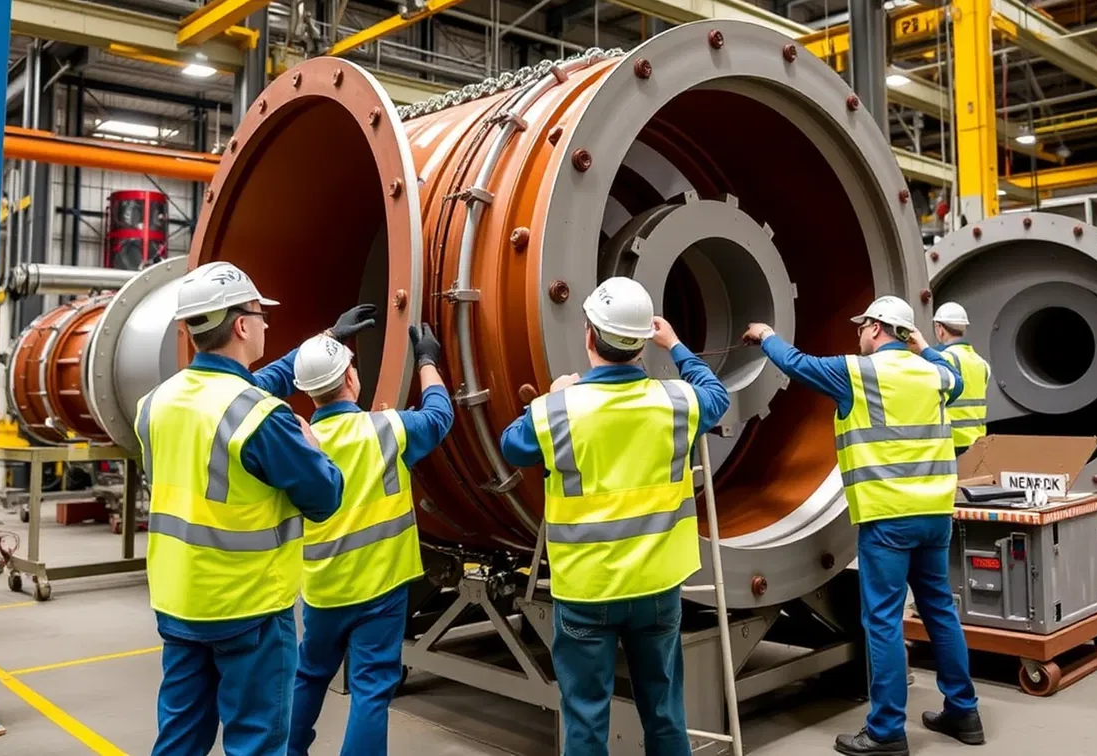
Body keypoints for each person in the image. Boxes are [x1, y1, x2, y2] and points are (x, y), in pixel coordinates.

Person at [138, 263, 371, 755]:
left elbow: (244, 388)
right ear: (243, 325)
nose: (265, 323)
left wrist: (327, 338)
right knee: (257, 744)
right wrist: (315, 449)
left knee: (179, 739)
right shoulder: (264, 417)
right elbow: (324, 498)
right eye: (261, 315)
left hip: (180, 602)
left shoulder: (156, 403)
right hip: (250, 609)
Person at [499, 277, 729, 756]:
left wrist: (552, 395)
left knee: (585, 721)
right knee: (665, 713)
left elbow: (512, 445)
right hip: (657, 587)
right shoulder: (677, 402)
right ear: (643, 344)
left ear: (589, 335)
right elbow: (716, 395)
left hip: (587, 589)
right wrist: (676, 346)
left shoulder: (559, 411)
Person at [745, 296, 983, 756]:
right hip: (935, 515)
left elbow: (797, 364)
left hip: (888, 519)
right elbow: (952, 379)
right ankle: (964, 711)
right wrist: (922, 346)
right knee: (939, 610)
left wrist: (765, 335)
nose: (858, 335)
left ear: (875, 327)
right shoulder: (935, 374)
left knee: (884, 621)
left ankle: (887, 730)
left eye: (862, 327)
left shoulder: (858, 372)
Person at [288, 323, 455, 755]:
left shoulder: (299, 442)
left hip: (323, 591)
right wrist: (427, 361)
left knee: (309, 676)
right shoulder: (385, 430)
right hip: (381, 590)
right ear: (350, 377)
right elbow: (440, 415)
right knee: (371, 689)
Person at [931, 302, 989, 456]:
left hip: (950, 444)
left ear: (940, 329)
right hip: (977, 444)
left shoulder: (942, 359)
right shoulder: (981, 363)